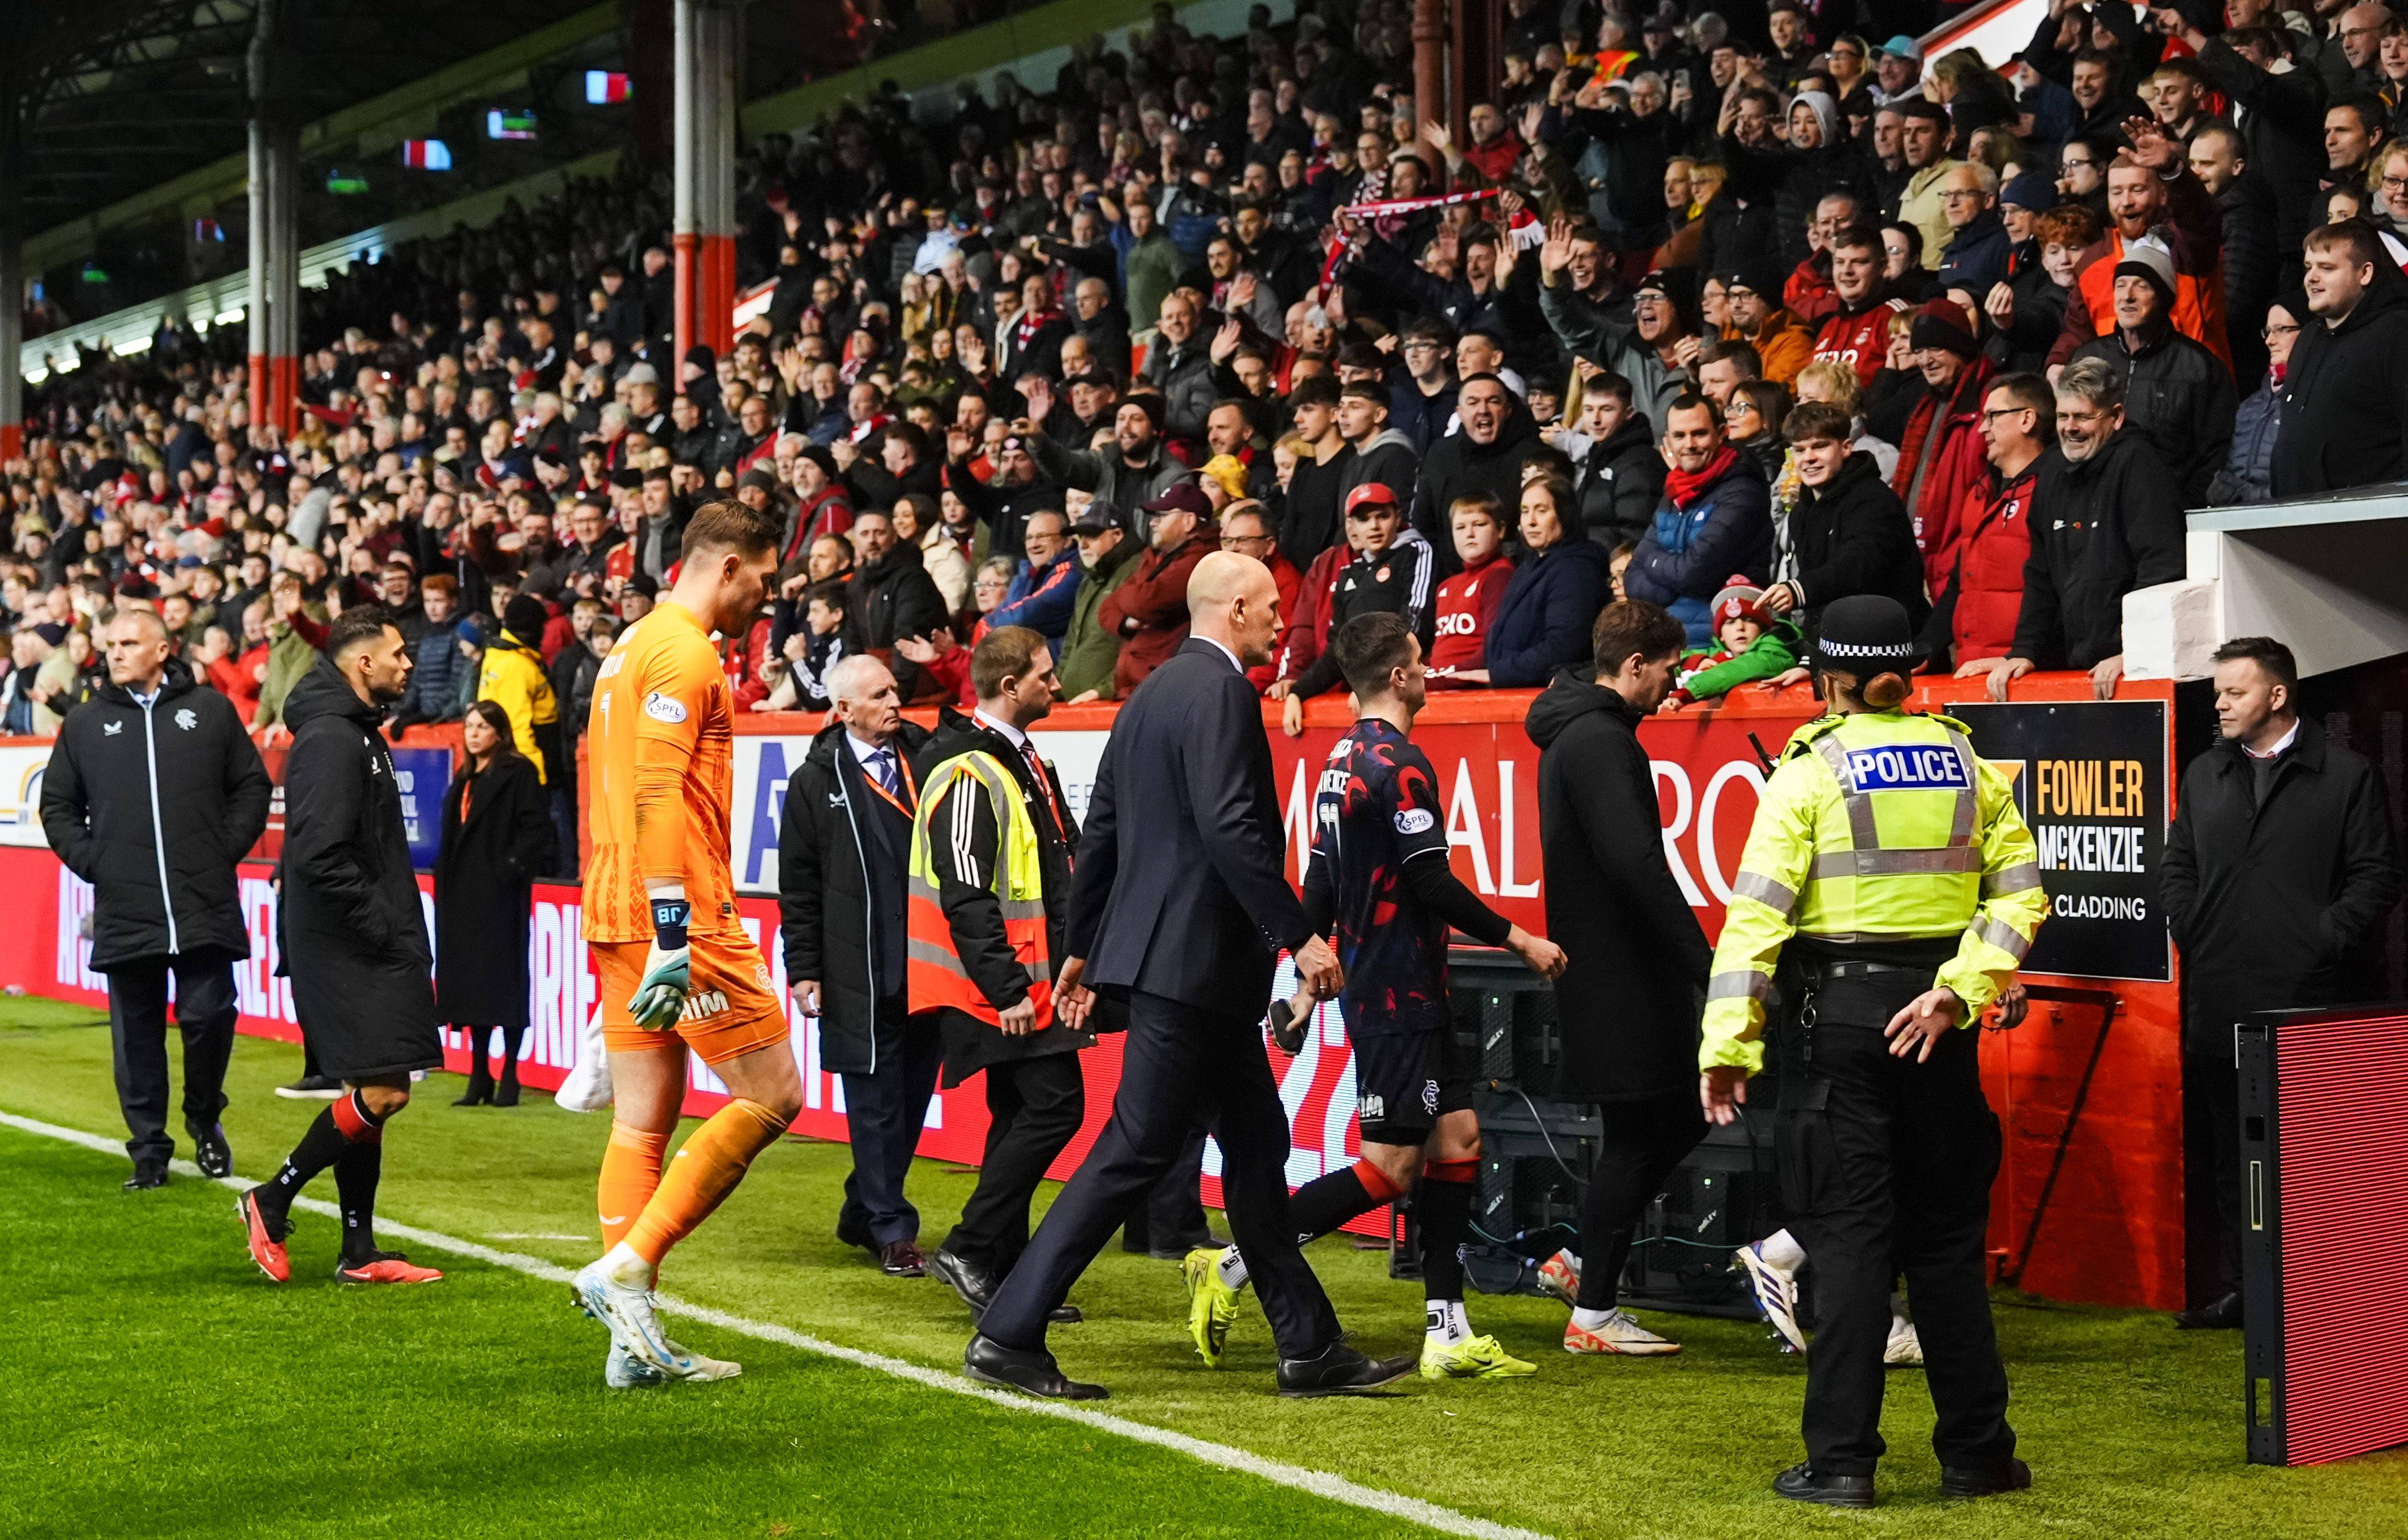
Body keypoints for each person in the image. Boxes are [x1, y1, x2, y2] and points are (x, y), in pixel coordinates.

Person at [965, 552, 1407, 1401]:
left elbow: (1102, 829)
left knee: (1257, 1150)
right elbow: (1232, 829)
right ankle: (1008, 1331)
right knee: (1134, 1150)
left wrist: (1082, 947)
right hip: (1196, 967)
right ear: (1235, 608)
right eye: (1271, 607)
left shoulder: (1150, 695)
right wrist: (1300, 937)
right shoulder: (1222, 693)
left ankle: (1309, 1345)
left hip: (1180, 965)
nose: (1281, 622)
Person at [1699, 594, 2046, 1508]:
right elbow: (2020, 897)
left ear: (1828, 680)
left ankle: (1841, 1463)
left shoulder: (1806, 771)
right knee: (1947, 1245)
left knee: (1851, 1244)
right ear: (1907, 671)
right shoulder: (1967, 762)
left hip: (1842, 1024)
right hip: (1938, 1022)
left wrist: (1726, 1046)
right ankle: (1977, 1456)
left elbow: (1754, 923)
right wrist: (1958, 991)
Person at [1185, 612, 1565, 1379]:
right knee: (1391, 1169)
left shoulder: (1340, 759)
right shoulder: (1401, 765)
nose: (1428, 671)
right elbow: (1430, 881)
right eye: (1420, 660)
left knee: (1458, 1142)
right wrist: (1519, 938)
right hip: (1396, 998)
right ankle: (1231, 1264)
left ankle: (1447, 1332)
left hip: (1405, 992)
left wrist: (1304, 986)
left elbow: (1320, 878)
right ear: (1399, 675)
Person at [572, 500, 795, 1388]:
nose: (767, 598)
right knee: (773, 1093)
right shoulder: (686, 652)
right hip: (678, 909)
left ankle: (631, 1343)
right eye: (764, 580)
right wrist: (673, 928)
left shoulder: (629, 645)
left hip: (611, 900)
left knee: (639, 1123)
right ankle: (626, 1270)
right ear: (728, 566)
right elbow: (658, 792)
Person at [2160, 637, 2400, 1330]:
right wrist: (2192, 927)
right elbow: (2178, 865)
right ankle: (2247, 1294)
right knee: (2233, 1158)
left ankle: (2318, 1299)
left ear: (2277, 695)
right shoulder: (2205, 772)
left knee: (2311, 1160)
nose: (2220, 704)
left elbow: (2376, 876)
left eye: (2234, 692)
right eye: (2218, 693)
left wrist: (2322, 940)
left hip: (2307, 1002)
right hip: (2220, 993)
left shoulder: (2346, 774)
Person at [1522, 601, 1714, 1354]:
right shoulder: (1602, 739)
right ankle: (1594, 1312)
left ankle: (1582, 1265)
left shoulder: (1577, 731)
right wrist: (1703, 964)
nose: (1673, 683)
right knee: (1648, 1131)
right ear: (1634, 664)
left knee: (1667, 1121)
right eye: (1667, 668)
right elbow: (1635, 865)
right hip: (1621, 972)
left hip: (1604, 968)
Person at [235, 606, 446, 1289]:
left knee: (368, 1090)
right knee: (386, 1092)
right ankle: (272, 1198)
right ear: (363, 663)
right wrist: (383, 925)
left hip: (359, 938)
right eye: (398, 654)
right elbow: (321, 856)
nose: (407, 664)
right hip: (348, 944)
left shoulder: (355, 731)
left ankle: (359, 1251)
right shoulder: (332, 738)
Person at [41, 608, 269, 1189]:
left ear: (163, 649)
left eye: (128, 643)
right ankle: (149, 1151)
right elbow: (58, 806)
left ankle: (204, 1115)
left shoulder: (210, 710)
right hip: (126, 907)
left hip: (202, 900)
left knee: (209, 1015)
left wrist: (222, 849)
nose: (115, 653)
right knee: (136, 1036)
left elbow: (251, 785)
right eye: (110, 644)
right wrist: (97, 863)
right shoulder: (86, 723)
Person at [910, 629, 1096, 1322]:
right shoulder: (970, 769)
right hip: (998, 985)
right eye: (1046, 675)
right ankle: (970, 1246)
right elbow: (965, 894)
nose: (1057, 684)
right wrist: (1008, 989)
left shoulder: (1014, 759)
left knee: (1019, 1114)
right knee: (1057, 1108)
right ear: (1011, 686)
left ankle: (1008, 1273)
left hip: (1020, 977)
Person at [782, 653, 939, 1277]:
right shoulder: (814, 782)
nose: (895, 703)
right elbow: (799, 885)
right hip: (857, 970)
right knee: (874, 1102)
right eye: (879, 695)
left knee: (911, 1098)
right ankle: (893, 1228)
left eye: (895, 691)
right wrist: (804, 968)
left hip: (927, 964)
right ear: (844, 710)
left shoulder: (928, 758)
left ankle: (862, 1210)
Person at [1968, 359, 2186, 703]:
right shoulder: (2053, 470)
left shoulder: (2139, 464)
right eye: (2063, 417)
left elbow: (2162, 567)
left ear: (2116, 417)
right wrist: (2025, 651)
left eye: (2083, 417)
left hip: (2134, 671)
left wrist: (2135, 652)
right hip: (2077, 668)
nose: (2071, 428)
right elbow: (2040, 573)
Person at [435, 699, 556, 1108]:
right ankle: (479, 1074)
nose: (473, 734)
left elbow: (536, 829)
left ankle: (510, 1075)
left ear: (500, 733)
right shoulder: (464, 778)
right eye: (469, 726)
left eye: (482, 727)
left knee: (504, 986)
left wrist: (509, 869)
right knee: (472, 988)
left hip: (499, 898)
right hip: (462, 900)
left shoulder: (518, 772)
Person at [1764, 402, 1927, 649]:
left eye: (1820, 446)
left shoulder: (1874, 499)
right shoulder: (1801, 512)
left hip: (1890, 648)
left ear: (1846, 448)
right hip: (1836, 649)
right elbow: (1818, 610)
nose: (1808, 458)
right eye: (1799, 450)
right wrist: (1811, 657)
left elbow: (1858, 566)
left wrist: (1800, 590)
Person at [1623, 394, 1772, 644]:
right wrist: (1671, 583)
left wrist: (1653, 563)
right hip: (1670, 641)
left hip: (1721, 646)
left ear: (1722, 433)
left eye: (1699, 434)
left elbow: (1692, 573)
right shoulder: (1674, 492)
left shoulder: (1743, 491)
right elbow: (1632, 579)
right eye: (1680, 436)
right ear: (1667, 441)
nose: (1689, 444)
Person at [1936, 374, 2051, 671]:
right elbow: (1958, 584)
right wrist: (1926, 646)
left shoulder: (2054, 490)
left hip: (2028, 672)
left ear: (2027, 420)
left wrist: (2026, 654)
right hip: (1972, 670)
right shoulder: (1979, 493)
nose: (1982, 428)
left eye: (1993, 416)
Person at [1485, 474, 1614, 687]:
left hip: (1549, 692)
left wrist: (1500, 673)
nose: (1530, 521)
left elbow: (1564, 646)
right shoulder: (1530, 564)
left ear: (1564, 515)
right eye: (1525, 511)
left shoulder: (1576, 568)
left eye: (1541, 511)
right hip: (1514, 687)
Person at [1662, 581, 1802, 709]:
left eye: (1749, 620)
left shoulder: (1776, 651)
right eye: (1731, 622)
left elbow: (1741, 668)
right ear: (1721, 636)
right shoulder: (1718, 656)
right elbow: (1669, 660)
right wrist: (1694, 661)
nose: (1740, 627)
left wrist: (1690, 691)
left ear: (1763, 628)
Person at [1425, 495, 1514, 689]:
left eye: (1479, 525)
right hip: (1442, 684)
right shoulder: (1446, 586)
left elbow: (1494, 647)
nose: (1470, 534)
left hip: (1471, 687)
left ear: (1501, 530)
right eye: (1460, 528)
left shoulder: (1499, 576)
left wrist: (1441, 676)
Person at [478, 594, 560, 783]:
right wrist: (537, 776)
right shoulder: (516, 665)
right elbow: (517, 726)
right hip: (533, 758)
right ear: (531, 628)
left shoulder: (501, 655)